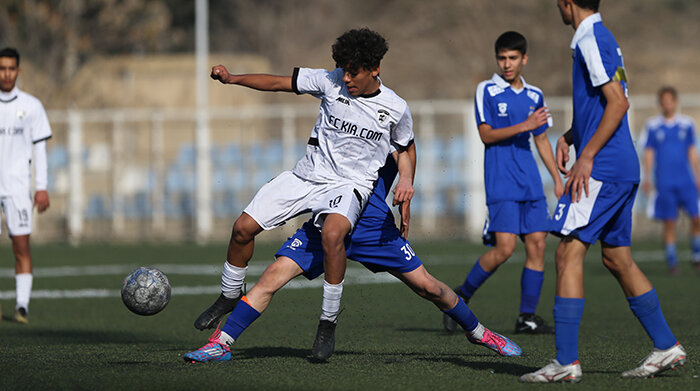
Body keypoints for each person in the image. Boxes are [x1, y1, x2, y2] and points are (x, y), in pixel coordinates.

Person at [184, 144, 522, 362]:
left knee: (428, 287)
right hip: (326, 224)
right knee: (271, 279)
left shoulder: (385, 120)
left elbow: (407, 150)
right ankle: (222, 343)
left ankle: (479, 333)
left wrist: (406, 184)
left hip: (374, 228)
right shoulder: (338, 119)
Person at [193, 29, 415, 349]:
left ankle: (327, 322)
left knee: (332, 235)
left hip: (349, 185)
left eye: (354, 71)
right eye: (344, 69)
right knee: (242, 228)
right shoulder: (330, 81)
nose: (347, 77)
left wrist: (406, 180)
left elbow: (405, 147)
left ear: (375, 69)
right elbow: (277, 82)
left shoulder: (395, 107)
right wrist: (232, 78)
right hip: (306, 176)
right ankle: (229, 295)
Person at [520, 0, 686, 382]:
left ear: (566, 3)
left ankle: (565, 362)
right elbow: (600, 105)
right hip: (620, 166)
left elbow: (617, 102)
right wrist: (572, 136)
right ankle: (665, 346)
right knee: (616, 258)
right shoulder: (599, 37)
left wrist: (586, 156)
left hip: (604, 168)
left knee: (567, 254)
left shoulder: (591, 38)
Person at [444, 31, 562, 335]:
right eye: (502, 58)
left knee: (537, 246)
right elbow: (486, 134)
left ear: (524, 59)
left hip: (531, 184)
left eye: (512, 58)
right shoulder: (486, 90)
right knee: (504, 249)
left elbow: (542, 140)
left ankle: (527, 318)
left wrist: (557, 179)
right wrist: (524, 124)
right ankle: (461, 297)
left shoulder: (535, 94)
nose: (507, 64)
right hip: (501, 183)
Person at [0, 47, 52, 324]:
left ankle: (21, 306)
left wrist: (41, 186)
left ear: (18, 71)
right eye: (1, 68)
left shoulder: (32, 106)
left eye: (11, 68)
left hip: (18, 187)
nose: (6, 73)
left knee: (21, 247)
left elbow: (40, 149)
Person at [642, 86, 700, 275]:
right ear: (660, 103)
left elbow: (692, 152)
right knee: (669, 221)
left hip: (686, 180)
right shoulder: (653, 126)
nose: (667, 104)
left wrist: (697, 175)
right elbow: (649, 153)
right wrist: (647, 176)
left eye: (670, 100)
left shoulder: (687, 124)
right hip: (665, 181)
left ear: (675, 102)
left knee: (696, 217)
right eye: (663, 101)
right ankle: (672, 261)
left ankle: (697, 256)